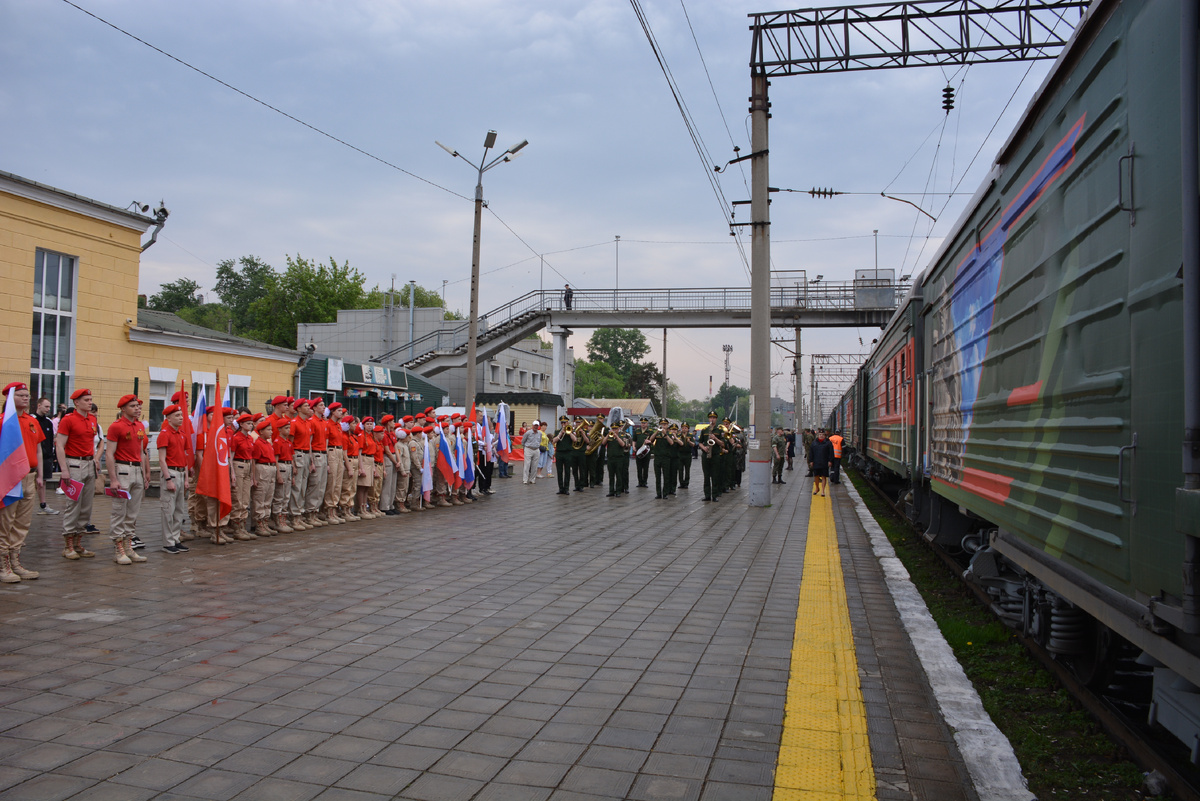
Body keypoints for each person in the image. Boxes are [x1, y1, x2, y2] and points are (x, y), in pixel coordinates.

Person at [0, 382, 45, 582]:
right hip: (10, 477)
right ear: (10, 398)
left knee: (22, 523)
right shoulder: (4, 421)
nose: (26, 398)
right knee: (6, 522)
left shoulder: (32, 421)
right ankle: (3, 565)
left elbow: (38, 450)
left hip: (29, 476)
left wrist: (40, 475)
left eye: (27, 395)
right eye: (21, 395)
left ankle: (15, 561)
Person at [55, 388, 101, 559]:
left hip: (89, 463)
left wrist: (95, 460)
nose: (90, 402)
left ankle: (78, 542)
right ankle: (68, 545)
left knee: (86, 506)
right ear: (76, 402)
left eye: (90, 399)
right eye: (86, 400)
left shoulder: (92, 419)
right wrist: (64, 470)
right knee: (73, 504)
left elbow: (94, 443)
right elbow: (60, 445)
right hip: (74, 463)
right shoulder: (68, 420)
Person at [106, 394, 150, 564]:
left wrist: (145, 473)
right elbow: (109, 453)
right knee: (120, 511)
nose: (137, 408)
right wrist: (113, 479)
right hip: (123, 469)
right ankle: (119, 548)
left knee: (132, 512)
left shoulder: (139, 425)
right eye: (133, 406)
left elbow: (141, 451)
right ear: (123, 409)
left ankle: (128, 545)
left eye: (138, 405)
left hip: (137, 469)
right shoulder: (116, 426)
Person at [156, 404, 191, 553]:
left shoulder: (182, 433)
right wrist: (168, 479)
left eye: (181, 415)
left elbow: (185, 457)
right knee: (168, 510)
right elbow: (162, 459)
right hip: (171, 472)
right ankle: (168, 542)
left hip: (181, 472)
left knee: (178, 510)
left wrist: (186, 478)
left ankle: (176, 539)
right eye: (177, 415)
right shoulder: (165, 434)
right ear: (168, 418)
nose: (181, 418)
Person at [229, 414, 257, 540]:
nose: (250, 426)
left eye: (251, 423)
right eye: (248, 423)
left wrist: (252, 475)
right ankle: (236, 528)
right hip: (238, 465)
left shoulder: (250, 438)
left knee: (245, 498)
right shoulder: (236, 438)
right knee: (238, 498)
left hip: (247, 465)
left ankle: (242, 527)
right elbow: (231, 456)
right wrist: (232, 473)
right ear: (241, 424)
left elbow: (251, 456)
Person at [251, 419, 278, 536]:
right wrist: (253, 477)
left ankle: (265, 522)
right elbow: (254, 461)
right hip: (262, 468)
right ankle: (259, 523)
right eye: (268, 430)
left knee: (268, 497)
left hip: (270, 468)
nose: (271, 432)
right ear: (261, 431)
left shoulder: (268, 443)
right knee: (260, 497)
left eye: (271, 429)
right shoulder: (258, 443)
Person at [33, 397, 58, 516]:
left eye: (49, 407)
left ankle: (43, 504)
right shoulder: (32, 420)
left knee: (43, 481)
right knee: (35, 481)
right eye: (46, 406)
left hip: (46, 456)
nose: (48, 409)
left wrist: (52, 454)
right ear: (39, 405)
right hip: (34, 455)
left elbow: (51, 440)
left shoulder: (48, 422)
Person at [272, 418, 295, 533]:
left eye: (289, 427)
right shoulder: (277, 442)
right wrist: (278, 475)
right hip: (281, 466)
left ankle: (283, 518)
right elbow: (275, 460)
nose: (288, 430)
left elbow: (291, 457)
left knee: (286, 495)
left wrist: (293, 472)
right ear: (280, 429)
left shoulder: (288, 442)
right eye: (286, 428)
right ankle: (278, 520)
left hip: (288, 466)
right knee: (279, 495)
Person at [552, 415, 576, 495]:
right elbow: (553, 441)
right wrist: (561, 433)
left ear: (567, 423)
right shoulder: (557, 431)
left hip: (568, 453)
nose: (563, 424)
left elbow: (575, 440)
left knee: (567, 471)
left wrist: (569, 433)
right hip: (559, 453)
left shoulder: (571, 430)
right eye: (562, 423)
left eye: (565, 423)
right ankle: (560, 488)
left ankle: (566, 488)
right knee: (559, 471)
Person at [809, 429, 834, 497]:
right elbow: (811, 453)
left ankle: (823, 490)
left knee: (824, 476)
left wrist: (830, 461)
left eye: (823, 435)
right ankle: (817, 488)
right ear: (818, 435)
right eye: (820, 434)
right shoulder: (814, 443)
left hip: (824, 462)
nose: (821, 436)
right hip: (816, 462)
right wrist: (811, 461)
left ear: (825, 436)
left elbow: (831, 453)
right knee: (816, 476)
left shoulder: (828, 443)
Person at [633, 418, 652, 488]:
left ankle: (645, 482)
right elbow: (634, 440)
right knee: (639, 467)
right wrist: (633, 446)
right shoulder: (637, 431)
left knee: (646, 467)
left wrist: (649, 441)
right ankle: (640, 482)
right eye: (642, 423)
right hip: (638, 450)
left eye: (644, 423)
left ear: (647, 423)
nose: (643, 424)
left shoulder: (650, 431)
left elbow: (653, 441)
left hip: (646, 451)